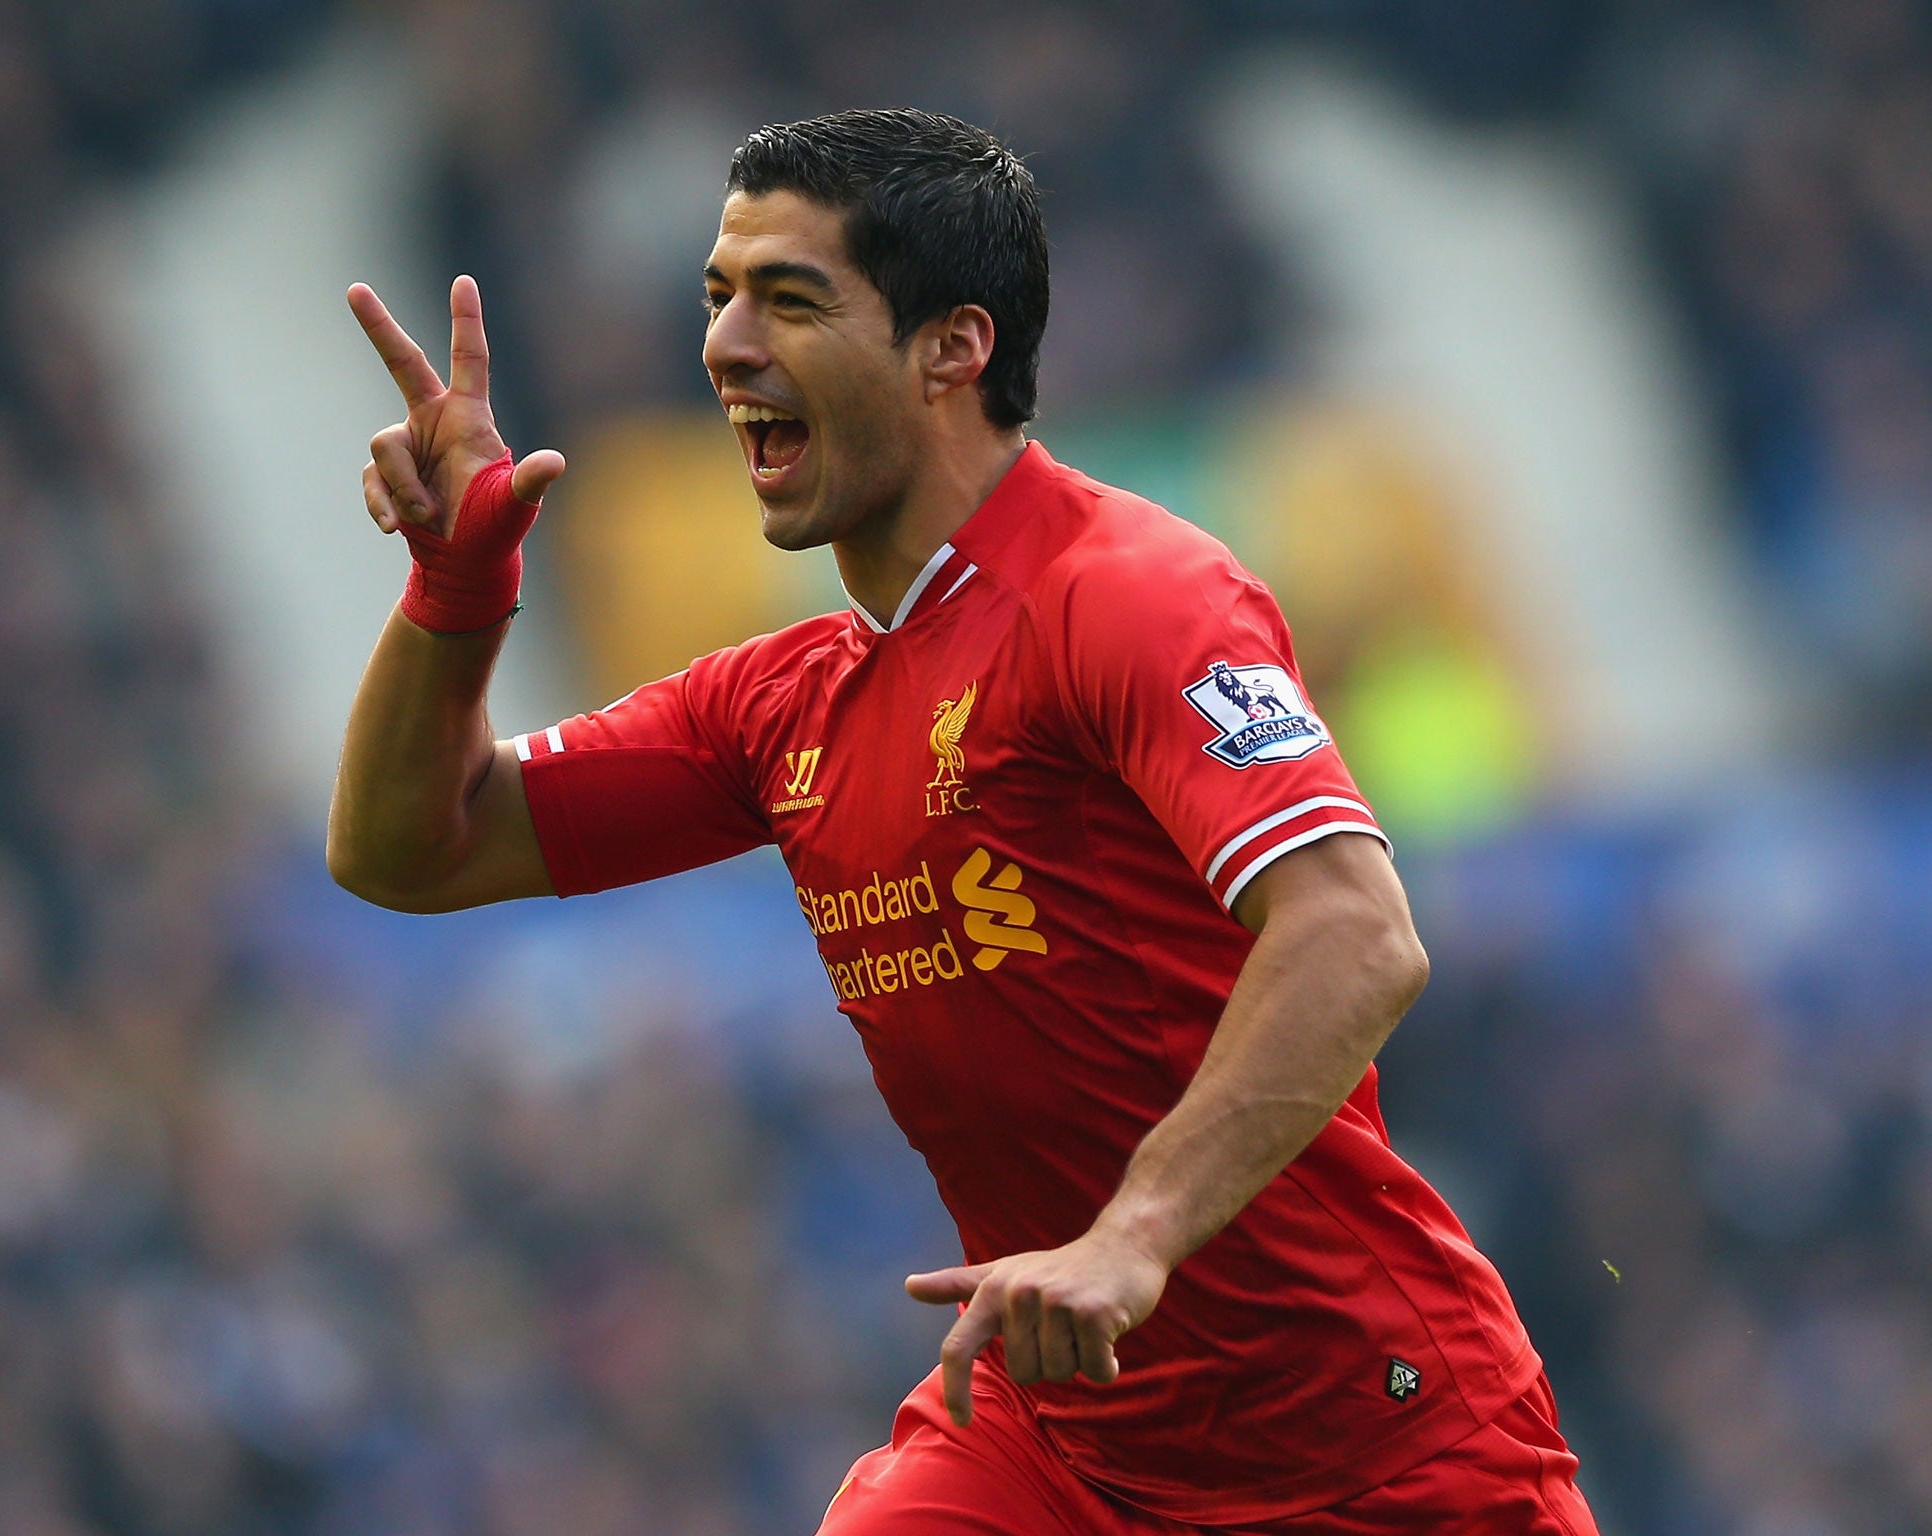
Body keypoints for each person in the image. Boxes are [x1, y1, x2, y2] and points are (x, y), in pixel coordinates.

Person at [330, 109, 1599, 1535]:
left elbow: (1358, 936)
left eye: (789, 299)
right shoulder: (781, 707)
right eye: (718, 296)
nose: (726, 346)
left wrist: (1135, 1234)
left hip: (1377, 1453)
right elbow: (406, 848)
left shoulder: (1127, 595)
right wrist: (454, 594)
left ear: (954, 346)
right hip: (1057, 1449)